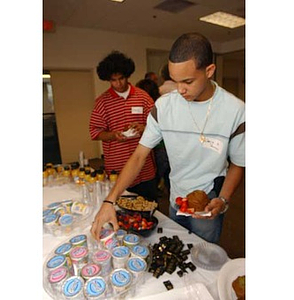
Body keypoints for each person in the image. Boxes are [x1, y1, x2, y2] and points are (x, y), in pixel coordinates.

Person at [91, 33, 245, 244]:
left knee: (204, 253)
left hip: (209, 200)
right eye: (175, 81)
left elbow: (238, 163)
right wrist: (110, 200)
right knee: (177, 246)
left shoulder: (235, 111)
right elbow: (138, 157)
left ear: (209, 71)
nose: (180, 90)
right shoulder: (163, 107)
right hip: (176, 198)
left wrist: (224, 199)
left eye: (188, 81)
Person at [89, 51, 158, 200]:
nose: (118, 83)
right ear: (108, 79)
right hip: (118, 169)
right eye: (113, 80)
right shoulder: (102, 102)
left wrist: (144, 128)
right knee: (124, 213)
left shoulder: (143, 97)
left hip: (144, 168)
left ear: (127, 75)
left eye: (121, 78)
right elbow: (95, 132)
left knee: (150, 208)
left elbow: (159, 126)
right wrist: (113, 135)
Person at [136, 79, 171, 193]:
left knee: (158, 173)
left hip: (160, 146)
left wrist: (145, 128)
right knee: (168, 175)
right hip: (164, 146)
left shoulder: (158, 105)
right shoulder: (161, 103)